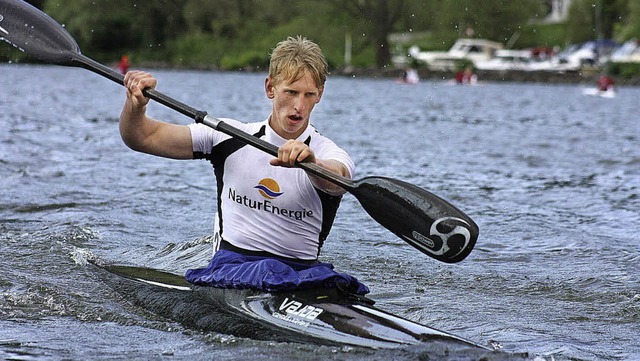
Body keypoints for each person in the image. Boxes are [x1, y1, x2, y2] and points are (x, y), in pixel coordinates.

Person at [119, 36, 368, 295]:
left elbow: (337, 179)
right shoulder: (227, 136)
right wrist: (135, 106)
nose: (299, 106)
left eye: (309, 95)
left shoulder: (328, 152)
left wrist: (310, 163)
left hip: (303, 276)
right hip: (232, 268)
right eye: (291, 92)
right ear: (270, 88)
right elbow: (142, 137)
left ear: (321, 95)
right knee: (266, 270)